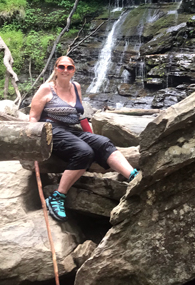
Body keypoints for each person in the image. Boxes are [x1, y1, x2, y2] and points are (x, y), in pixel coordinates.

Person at [29, 55, 138, 222]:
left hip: (72, 130)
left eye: (69, 67)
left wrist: (92, 137)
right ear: (56, 70)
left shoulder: (76, 87)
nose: (65, 70)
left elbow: (81, 117)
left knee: (103, 143)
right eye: (62, 67)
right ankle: (58, 196)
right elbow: (33, 117)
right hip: (50, 130)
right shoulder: (46, 89)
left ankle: (134, 178)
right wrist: (33, 142)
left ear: (73, 70)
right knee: (84, 151)